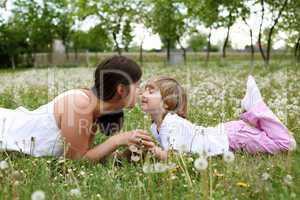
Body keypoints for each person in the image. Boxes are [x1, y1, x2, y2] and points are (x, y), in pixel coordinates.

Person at [0, 56, 154, 161]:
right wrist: (117, 140)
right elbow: (75, 161)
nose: (140, 90)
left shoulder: (95, 109)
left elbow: (87, 153)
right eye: (138, 84)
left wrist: (124, 155)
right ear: (121, 89)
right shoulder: (79, 104)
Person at [140, 75, 296, 160]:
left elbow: (176, 157)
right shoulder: (155, 127)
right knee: (273, 141)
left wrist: (153, 150)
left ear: (167, 103)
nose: (143, 94)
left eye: (150, 91)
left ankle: (256, 106)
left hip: (234, 137)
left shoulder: (171, 123)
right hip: (228, 134)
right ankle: (254, 113)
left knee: (286, 145)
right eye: (144, 90)